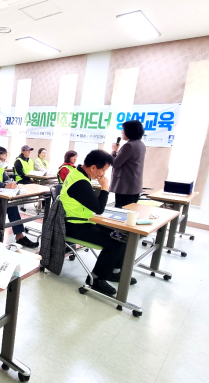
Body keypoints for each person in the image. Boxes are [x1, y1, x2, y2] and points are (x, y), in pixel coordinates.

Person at [60, 150, 136, 297]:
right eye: (103, 170)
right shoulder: (80, 182)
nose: (103, 175)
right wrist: (105, 187)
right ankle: (96, 279)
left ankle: (114, 272)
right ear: (93, 167)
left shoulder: (79, 174)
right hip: (74, 225)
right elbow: (99, 208)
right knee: (115, 243)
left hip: (84, 220)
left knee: (122, 236)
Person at [110, 120, 146, 208]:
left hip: (125, 187)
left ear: (130, 131)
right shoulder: (140, 144)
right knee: (130, 210)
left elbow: (115, 163)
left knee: (121, 211)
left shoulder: (128, 146)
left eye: (123, 129)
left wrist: (114, 151)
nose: (122, 132)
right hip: (134, 185)